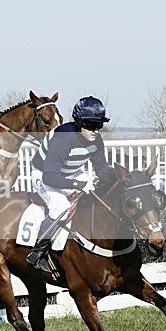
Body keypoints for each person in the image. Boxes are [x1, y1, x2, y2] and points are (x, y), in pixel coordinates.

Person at [26, 96, 112, 269]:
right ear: (79, 123)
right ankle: (38, 251)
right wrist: (77, 185)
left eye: (99, 125)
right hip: (43, 174)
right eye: (90, 125)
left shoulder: (96, 140)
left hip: (71, 173)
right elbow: (49, 177)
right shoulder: (63, 139)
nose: (95, 130)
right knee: (60, 208)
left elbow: (102, 169)